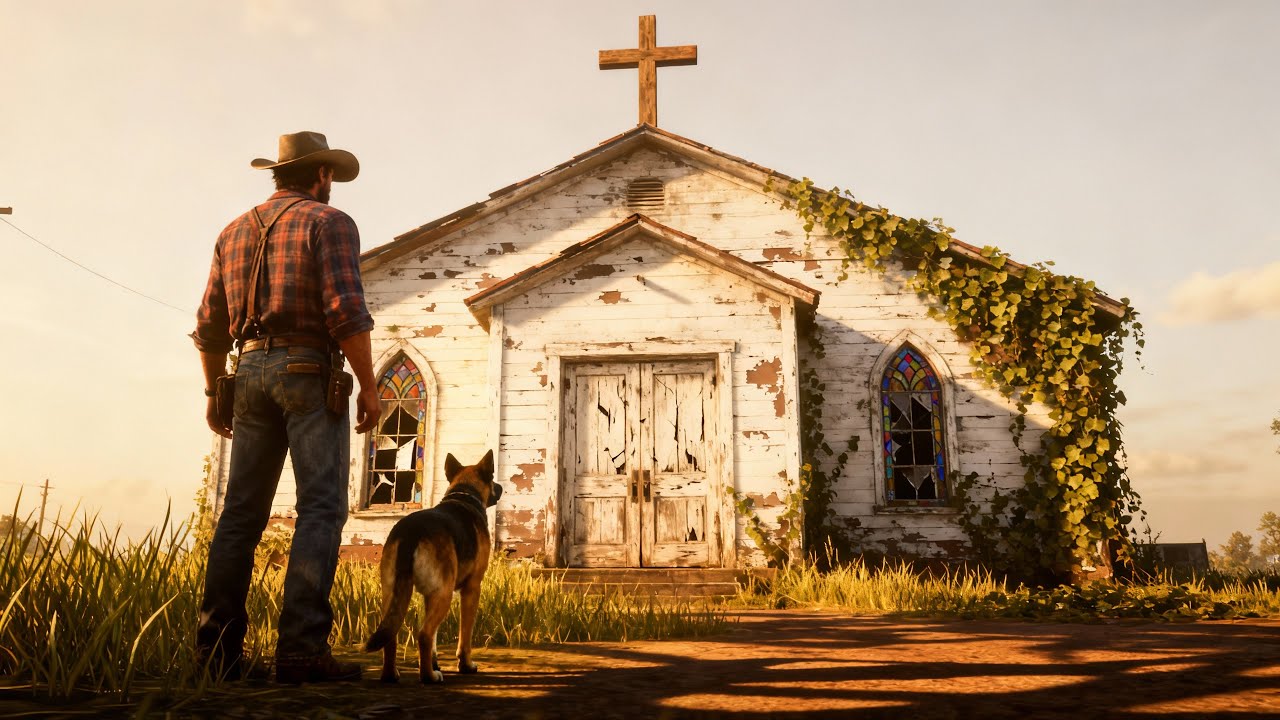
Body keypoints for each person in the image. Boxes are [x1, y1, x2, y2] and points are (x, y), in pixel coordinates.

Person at [191, 131, 381, 683]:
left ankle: (216, 656)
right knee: (320, 508)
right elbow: (346, 311)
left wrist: (212, 393)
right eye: (331, 179)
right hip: (307, 369)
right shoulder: (330, 223)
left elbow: (208, 327)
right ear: (320, 175)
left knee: (240, 514)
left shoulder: (232, 231)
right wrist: (369, 385)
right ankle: (300, 652)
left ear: (277, 175)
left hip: (244, 374)